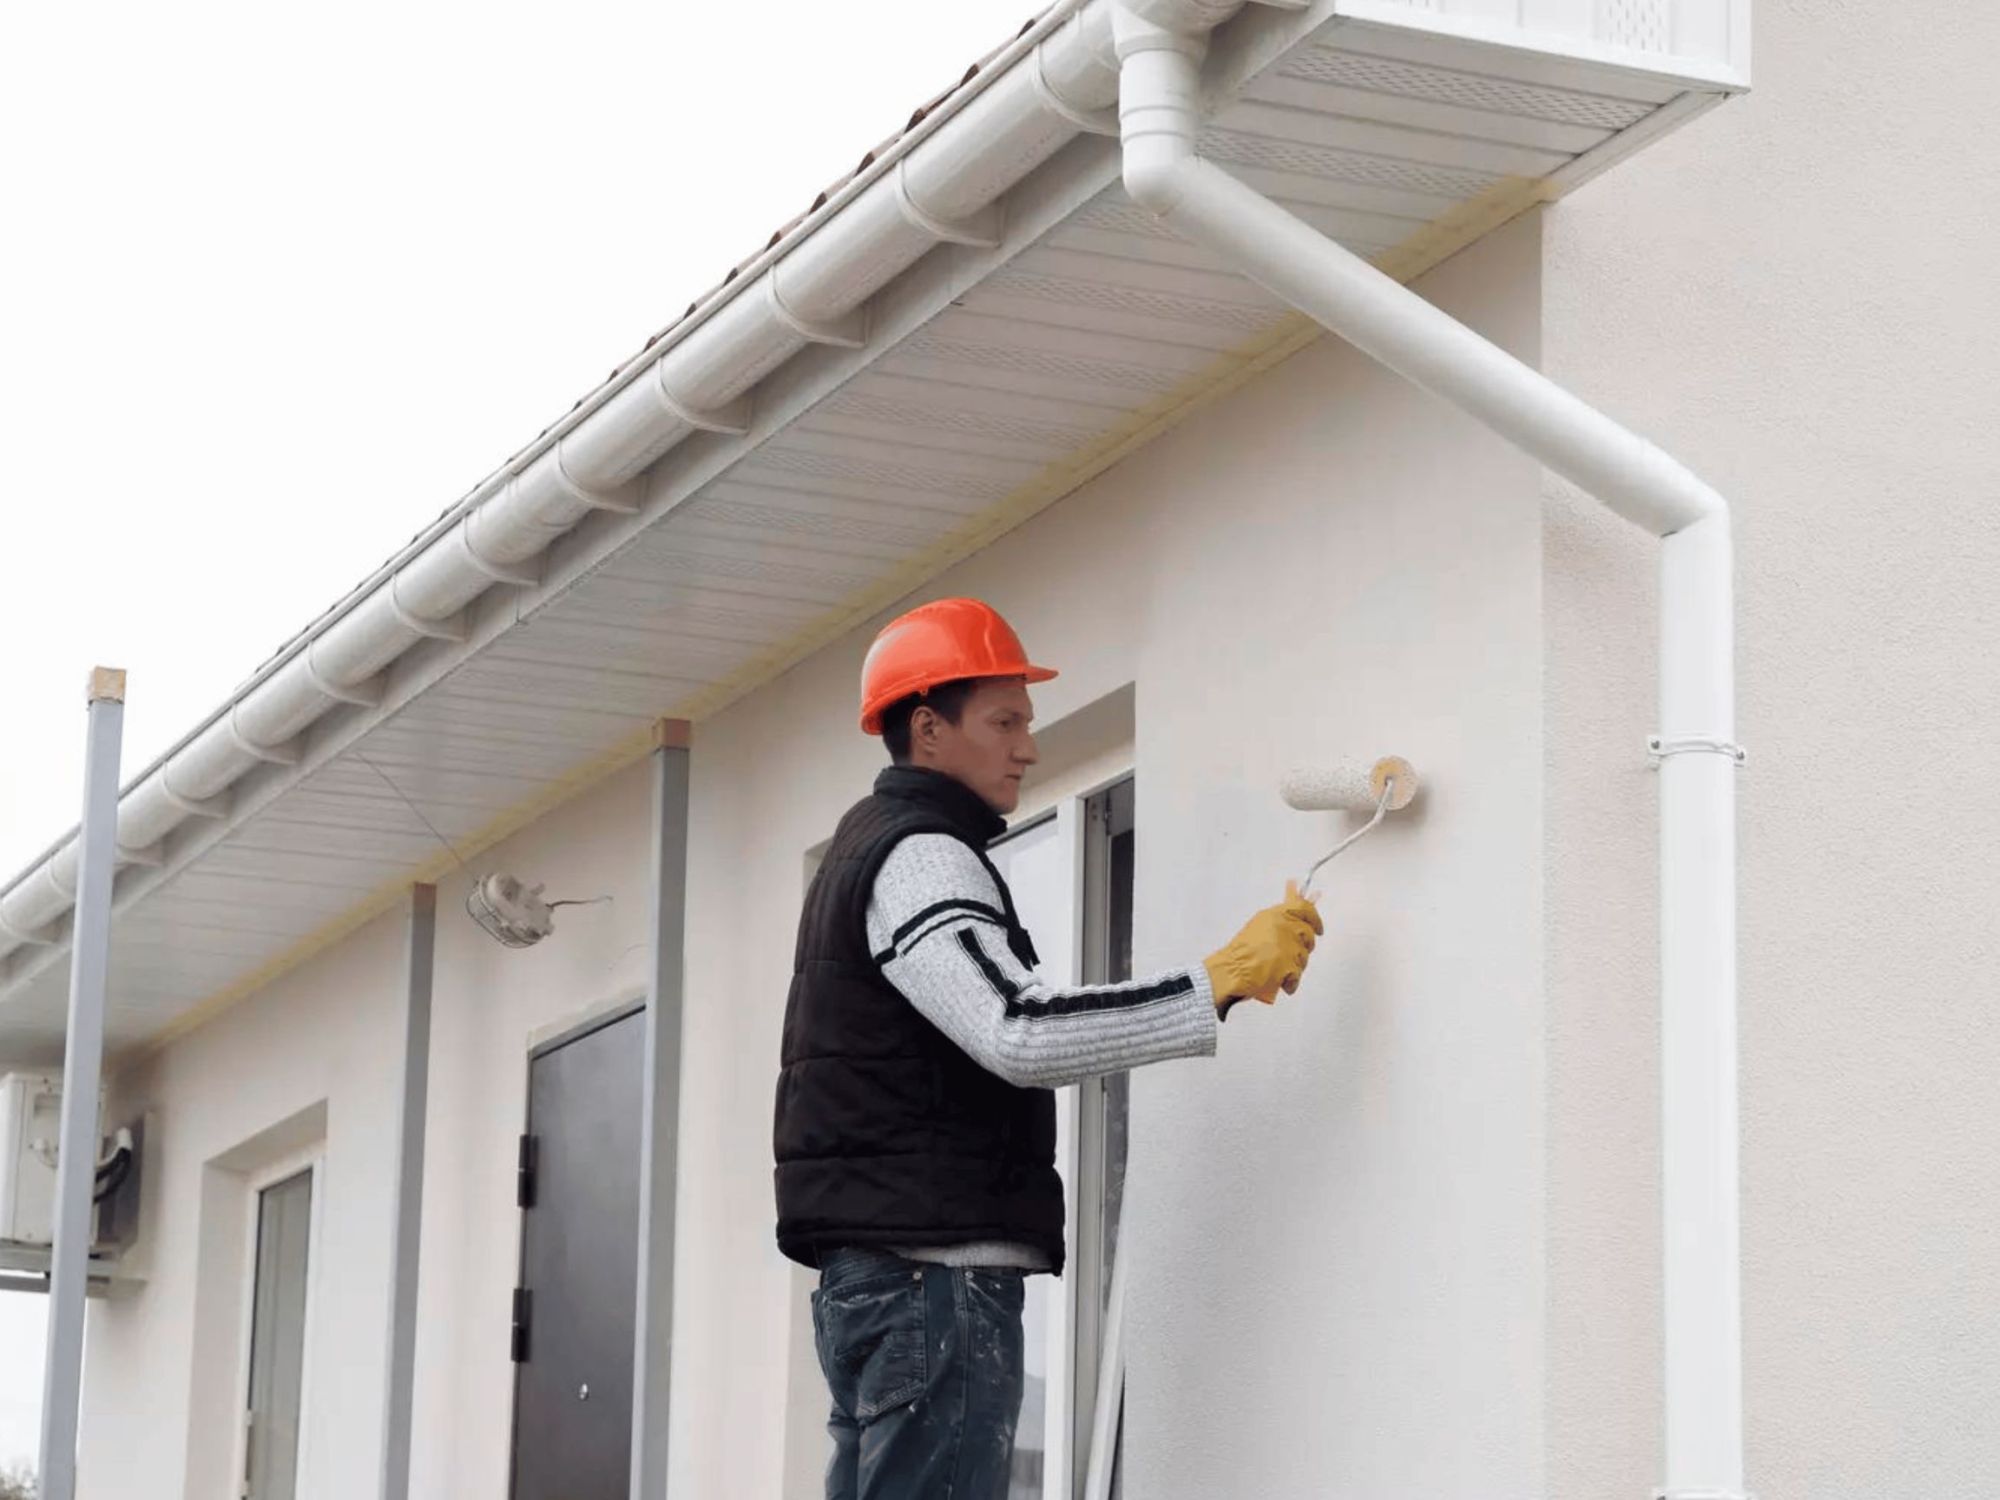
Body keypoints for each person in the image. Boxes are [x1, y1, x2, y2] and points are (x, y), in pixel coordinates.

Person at [773, 596, 1323, 1499]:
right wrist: (1216, 980)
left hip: (887, 1283)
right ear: (928, 729)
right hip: (930, 1289)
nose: (1028, 745)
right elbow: (1016, 1032)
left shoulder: (872, 849)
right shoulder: (919, 855)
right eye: (1004, 720)